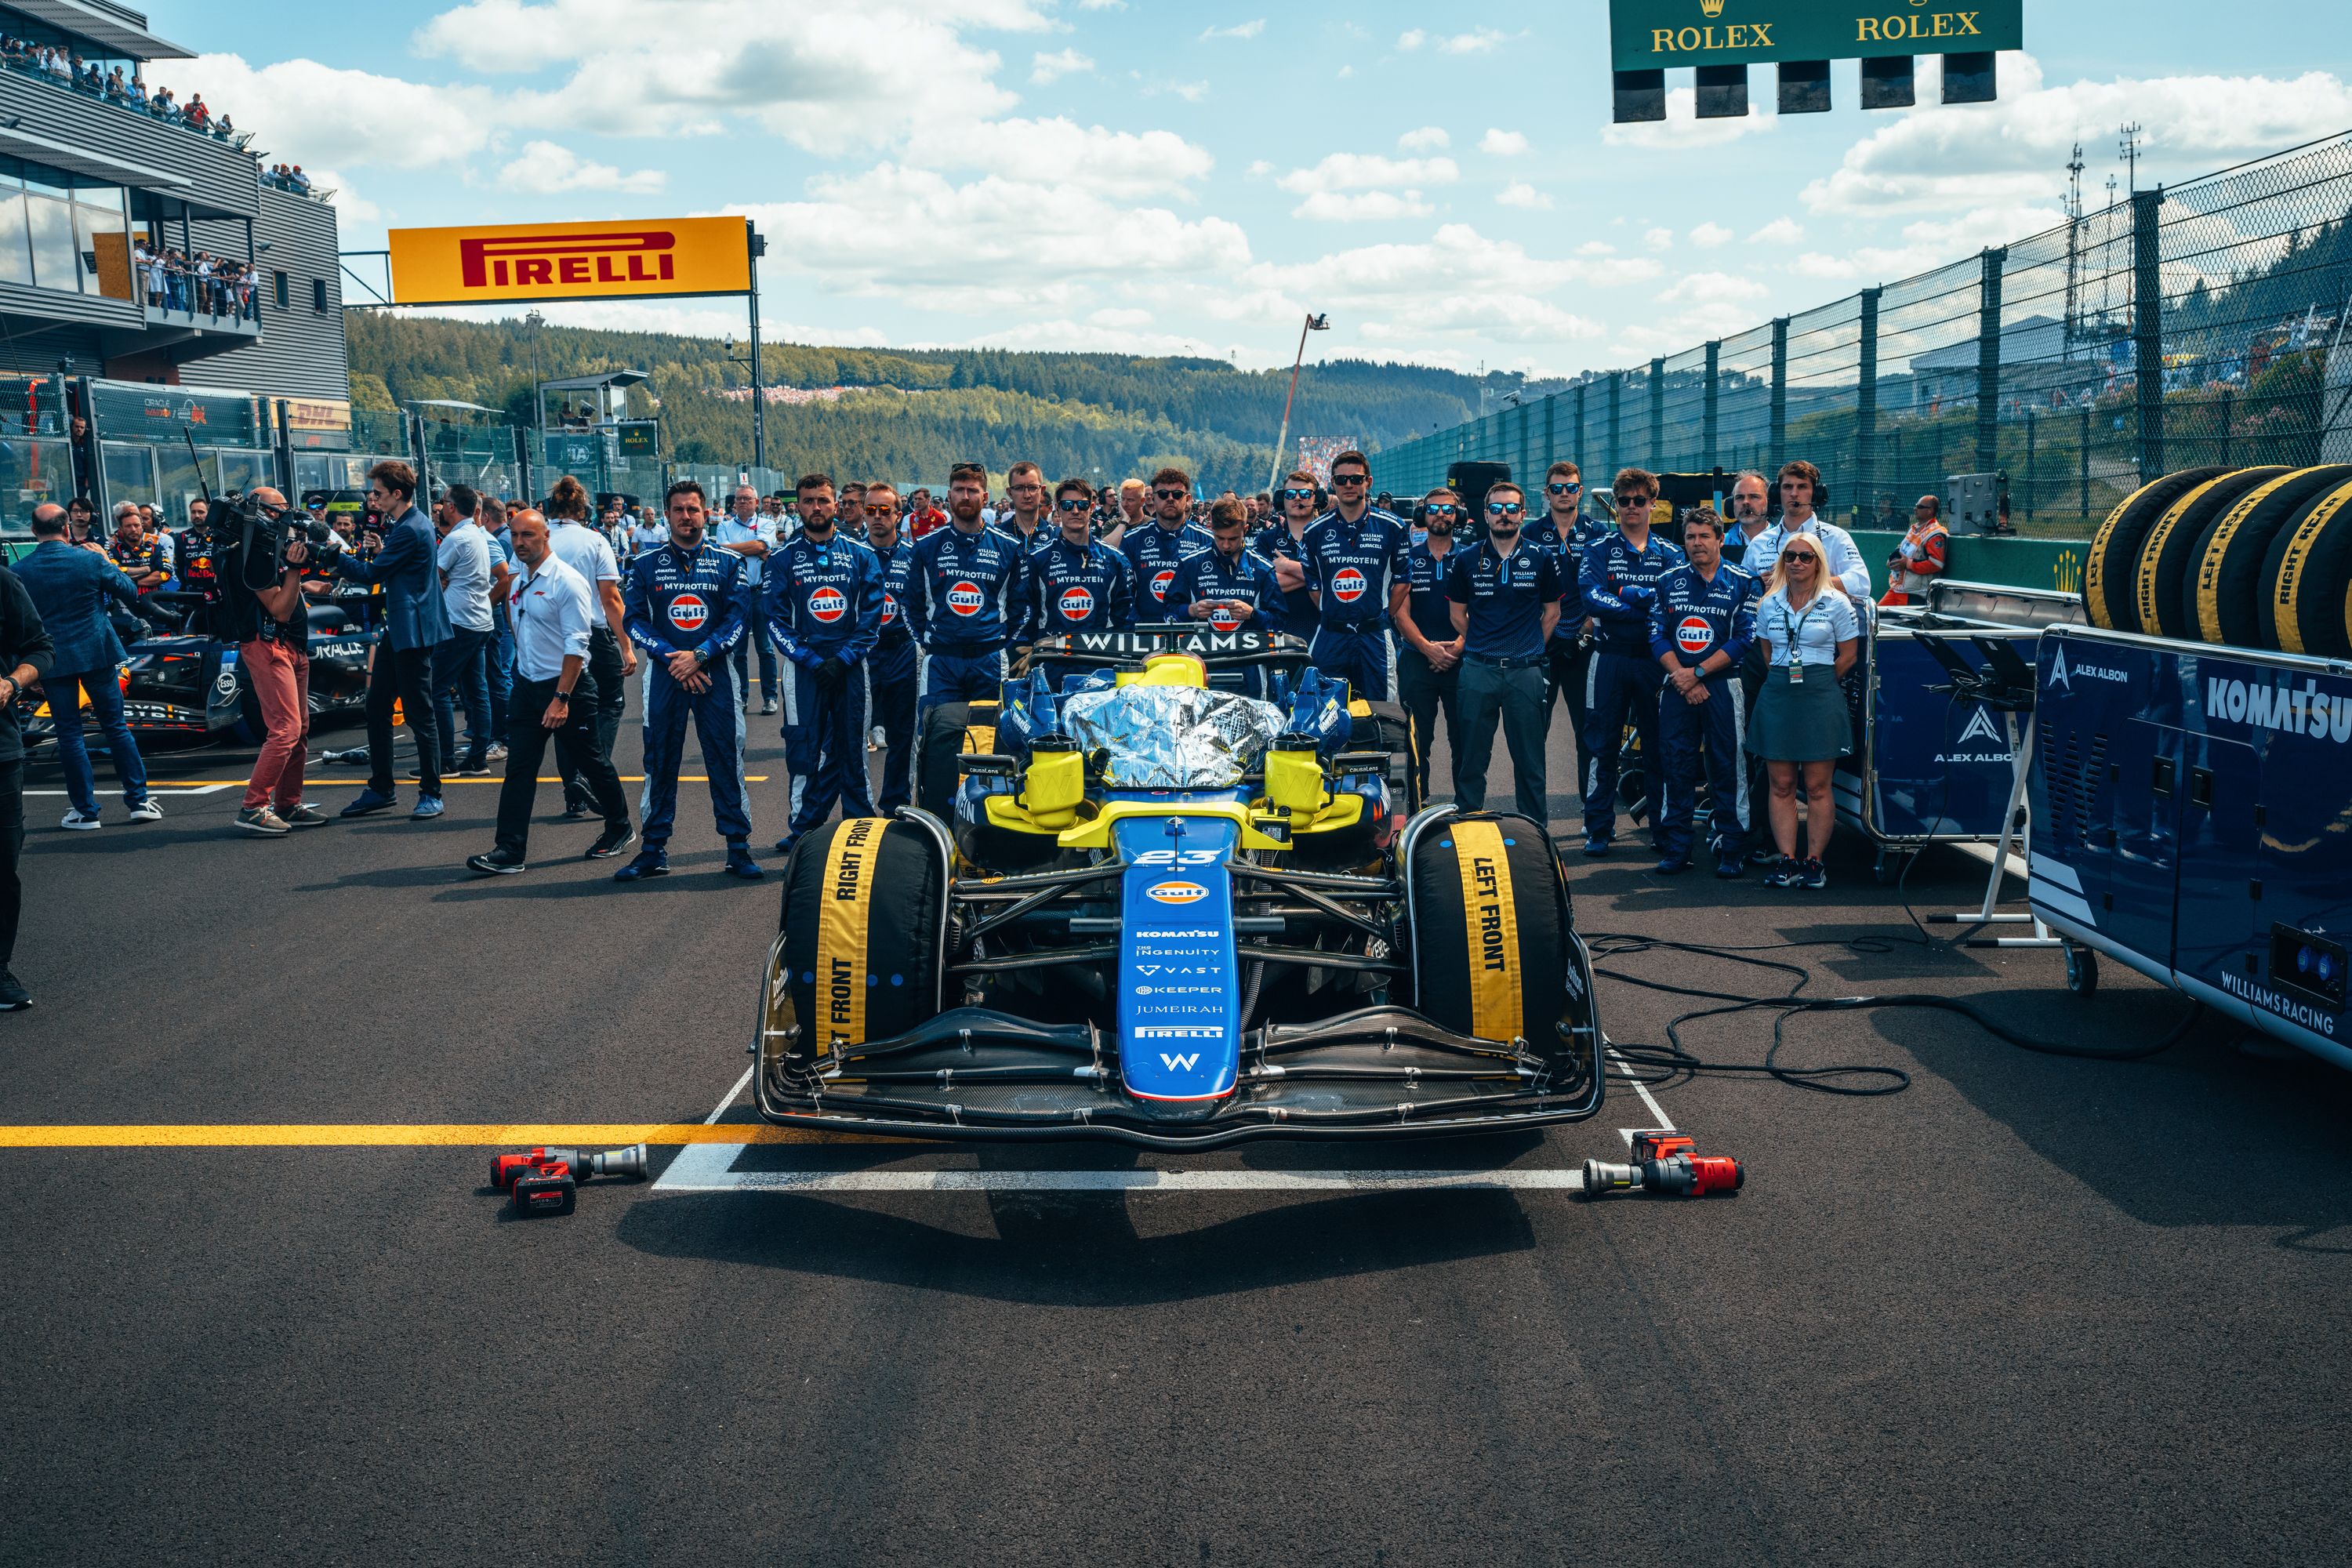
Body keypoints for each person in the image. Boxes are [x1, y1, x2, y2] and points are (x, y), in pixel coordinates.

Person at [466, 508, 633, 874]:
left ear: (546, 537)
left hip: (568, 691)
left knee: (590, 761)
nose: (520, 542)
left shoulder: (566, 581)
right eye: (515, 535)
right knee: (519, 769)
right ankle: (509, 850)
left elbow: (578, 645)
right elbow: (518, 624)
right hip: (527, 688)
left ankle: (620, 827)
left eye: (528, 535)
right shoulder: (521, 579)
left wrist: (561, 699)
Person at [616, 478, 760, 882]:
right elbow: (634, 621)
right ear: (667, 515)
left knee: (726, 761)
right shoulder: (644, 564)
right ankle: (652, 850)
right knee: (658, 761)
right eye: (678, 510)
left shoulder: (727, 562)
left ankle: (738, 848)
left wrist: (699, 656)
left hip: (715, 675)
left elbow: (737, 620)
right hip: (665, 677)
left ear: (706, 513)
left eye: (693, 509)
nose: (685, 516)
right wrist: (672, 658)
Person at [12, 503, 159, 829]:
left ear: (34, 532)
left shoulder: (21, 571)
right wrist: (106, 561)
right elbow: (131, 592)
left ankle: (85, 811)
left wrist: (28, 669)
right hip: (97, 654)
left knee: (69, 735)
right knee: (116, 727)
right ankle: (138, 802)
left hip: (52, 660)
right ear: (67, 529)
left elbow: (18, 625)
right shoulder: (91, 560)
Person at [768, 472, 884, 856]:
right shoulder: (783, 560)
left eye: (823, 500)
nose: (816, 507)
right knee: (804, 750)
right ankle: (804, 828)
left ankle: (861, 825)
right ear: (797, 506)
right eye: (808, 501)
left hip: (850, 668)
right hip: (804, 670)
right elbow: (776, 620)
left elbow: (872, 619)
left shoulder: (861, 555)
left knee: (853, 748)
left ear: (836, 505)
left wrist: (844, 659)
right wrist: (810, 659)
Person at [330, 461, 452, 819]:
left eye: (379, 493)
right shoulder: (409, 524)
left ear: (397, 494)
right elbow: (392, 567)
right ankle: (382, 788)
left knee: (420, 714)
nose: (374, 498)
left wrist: (332, 554)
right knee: (378, 707)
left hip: (411, 632)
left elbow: (372, 573)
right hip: (401, 629)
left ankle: (431, 792)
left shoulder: (411, 528)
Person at [1577, 468, 1686, 857]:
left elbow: (1673, 607)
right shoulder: (1599, 549)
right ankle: (1598, 829)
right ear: (1616, 505)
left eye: (1640, 501)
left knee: (1659, 749)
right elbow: (1591, 597)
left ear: (1653, 505)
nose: (1632, 508)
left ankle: (1663, 829)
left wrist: (1623, 594)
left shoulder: (1673, 553)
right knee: (1601, 746)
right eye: (1624, 501)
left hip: (1657, 663)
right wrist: (1640, 603)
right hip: (1609, 658)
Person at [1649, 506, 1759, 878]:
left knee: (1729, 766)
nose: (1697, 544)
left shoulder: (1744, 580)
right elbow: (1656, 635)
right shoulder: (1668, 580)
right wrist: (1682, 676)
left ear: (1720, 538)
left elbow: (1746, 638)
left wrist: (1696, 673)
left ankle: (1733, 848)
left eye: (1704, 537)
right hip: (1676, 684)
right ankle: (1676, 847)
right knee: (1675, 765)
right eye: (1691, 537)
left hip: (1724, 685)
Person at [1747, 532, 1860, 891]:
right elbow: (1766, 654)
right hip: (1779, 694)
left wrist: (1820, 683)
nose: (1797, 562)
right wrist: (1788, 680)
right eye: (1790, 556)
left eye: (1805, 557)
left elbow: (1849, 656)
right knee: (1781, 784)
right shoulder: (1769, 603)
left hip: (1821, 695)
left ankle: (1814, 862)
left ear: (1818, 562)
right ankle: (1787, 860)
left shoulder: (1837, 603)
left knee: (1817, 785)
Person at [1444, 482, 1563, 820]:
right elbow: (1457, 615)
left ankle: (1536, 831)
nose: (1504, 515)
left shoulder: (1542, 557)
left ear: (1523, 514)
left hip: (1525, 672)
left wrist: (1527, 645)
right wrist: (1485, 640)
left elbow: (1552, 612)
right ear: (1486, 515)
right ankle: (1467, 825)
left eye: (1512, 509)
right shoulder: (1466, 559)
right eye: (1496, 509)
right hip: (1478, 670)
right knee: (1472, 759)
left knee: (1530, 761)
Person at [219, 488, 332, 834]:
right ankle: (253, 807)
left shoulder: (268, 550)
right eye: (280, 509)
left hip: (291, 647)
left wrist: (299, 572)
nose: (289, 516)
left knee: (299, 731)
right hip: (269, 646)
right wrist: (295, 571)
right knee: (285, 729)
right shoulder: (249, 554)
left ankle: (288, 803)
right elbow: (279, 611)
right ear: (261, 512)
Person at [542, 475, 635, 821]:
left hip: (550, 636)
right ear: (583, 510)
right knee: (611, 702)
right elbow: (610, 599)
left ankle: (574, 794)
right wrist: (626, 644)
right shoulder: (593, 541)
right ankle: (590, 775)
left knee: (564, 711)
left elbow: (513, 590)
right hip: (592, 633)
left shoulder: (536, 538)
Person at [902, 463, 1025, 713]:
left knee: (985, 744)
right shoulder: (926, 547)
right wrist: (929, 643)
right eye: (959, 490)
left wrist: (1000, 642)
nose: (966, 496)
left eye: (972, 490)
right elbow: (910, 604)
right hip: (941, 661)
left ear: (985, 497)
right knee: (936, 740)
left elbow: (1021, 606)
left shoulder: (1008, 547)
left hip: (989, 660)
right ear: (949, 496)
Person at [1303, 450, 1410, 702]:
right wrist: (1336, 613)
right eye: (1341, 480)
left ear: (1368, 482)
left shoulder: (1392, 527)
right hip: (1331, 633)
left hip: (1374, 634)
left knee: (1382, 711)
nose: (1348, 485)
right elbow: (1313, 585)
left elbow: (1403, 581)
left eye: (1356, 479)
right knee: (1322, 709)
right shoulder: (1315, 531)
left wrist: (1383, 615)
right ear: (1332, 483)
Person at [1530, 459, 1606, 793]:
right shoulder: (1529, 534)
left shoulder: (1599, 534)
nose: (1564, 493)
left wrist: (1586, 629)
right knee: (1532, 731)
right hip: (1541, 643)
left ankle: (1592, 813)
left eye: (1571, 487)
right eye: (1557, 488)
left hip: (1584, 644)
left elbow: (1608, 588)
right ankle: (1533, 812)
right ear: (1547, 494)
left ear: (1580, 491)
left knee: (1588, 731)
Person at [0, 547, 53, 1008]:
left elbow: (41, 648)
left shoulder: (3, 582)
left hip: (0, 753)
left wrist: (13, 682)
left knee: (1, 867)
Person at [1024, 476, 1136, 693]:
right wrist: (1030, 650)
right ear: (1058, 509)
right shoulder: (1038, 559)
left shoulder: (1116, 560)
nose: (1075, 510)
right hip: (1053, 664)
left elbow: (1125, 620)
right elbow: (1026, 612)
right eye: (1067, 505)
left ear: (1092, 507)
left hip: (1100, 666)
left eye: (1082, 505)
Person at [1390, 487, 1463, 803]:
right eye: (1434, 509)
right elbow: (1399, 614)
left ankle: (1467, 806)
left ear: (1457, 515)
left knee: (1465, 739)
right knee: (1417, 742)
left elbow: (1481, 610)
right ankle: (1420, 805)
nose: (1441, 515)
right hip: (1416, 660)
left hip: (1462, 661)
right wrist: (1428, 648)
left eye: (1448, 510)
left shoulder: (1472, 557)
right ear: (1423, 515)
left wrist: (1459, 645)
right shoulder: (1407, 558)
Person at [1168, 499, 1282, 695]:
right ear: (1211, 528)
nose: (1226, 546)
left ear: (1245, 529)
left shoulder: (1263, 568)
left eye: (1233, 538)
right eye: (1220, 538)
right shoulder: (1191, 564)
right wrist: (1191, 610)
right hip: (1202, 666)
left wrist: (1253, 614)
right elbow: (1168, 613)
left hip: (1250, 667)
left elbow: (1279, 622)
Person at [858, 482, 920, 812]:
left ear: (899, 515)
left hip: (902, 653)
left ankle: (896, 805)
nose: (878, 517)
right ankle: (860, 807)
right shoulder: (851, 554)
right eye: (871, 510)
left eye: (885, 510)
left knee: (902, 736)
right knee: (854, 735)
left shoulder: (915, 556)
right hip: (862, 654)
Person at [429, 485, 496, 779]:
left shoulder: (456, 538)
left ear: (452, 507)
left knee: (438, 689)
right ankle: (477, 758)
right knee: (477, 691)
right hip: (479, 620)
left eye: (443, 503)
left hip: (459, 621)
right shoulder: (478, 535)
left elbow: (433, 577)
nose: (441, 508)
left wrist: (441, 581)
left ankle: (445, 760)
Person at [1744, 459, 1872, 600]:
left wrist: (1804, 582)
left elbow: (1861, 582)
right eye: (1787, 487)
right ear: (1776, 493)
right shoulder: (1759, 543)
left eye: (1802, 487)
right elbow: (1740, 589)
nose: (1794, 493)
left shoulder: (1836, 537)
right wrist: (1757, 586)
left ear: (1816, 494)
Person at [713, 482, 779, 715]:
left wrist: (738, 548)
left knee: (765, 648)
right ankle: (741, 697)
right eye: (739, 499)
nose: (742, 502)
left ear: (756, 502)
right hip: (736, 595)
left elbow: (762, 545)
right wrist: (755, 549)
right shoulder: (724, 526)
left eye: (747, 499)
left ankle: (770, 697)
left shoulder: (768, 523)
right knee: (738, 650)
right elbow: (723, 554)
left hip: (760, 593)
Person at [1122, 466, 1214, 625]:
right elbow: (1123, 595)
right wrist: (1138, 630)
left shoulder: (1207, 539)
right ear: (1153, 498)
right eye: (1163, 494)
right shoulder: (1132, 540)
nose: (1170, 499)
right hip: (1144, 633)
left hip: (1194, 634)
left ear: (1188, 499)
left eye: (1177, 494)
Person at [1251, 472, 1322, 646]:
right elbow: (1262, 588)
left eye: (1305, 494)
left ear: (1317, 498)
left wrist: (1288, 566)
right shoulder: (1265, 540)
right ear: (1282, 499)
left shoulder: (1328, 537)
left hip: (1323, 631)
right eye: (1291, 494)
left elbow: (1335, 581)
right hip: (1279, 632)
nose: (1298, 498)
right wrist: (1318, 575)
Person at [1881, 493, 1949, 607]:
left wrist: (1907, 564)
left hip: (1914, 593)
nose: (1915, 509)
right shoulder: (1914, 529)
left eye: (1920, 507)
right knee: (1875, 618)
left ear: (1930, 511)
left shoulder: (1936, 533)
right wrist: (1893, 560)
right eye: (1916, 506)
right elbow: (1901, 548)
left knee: (1902, 623)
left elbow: (1936, 564)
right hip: (1897, 588)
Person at [106, 503, 167, 592]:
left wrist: (133, 582)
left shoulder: (157, 549)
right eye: (128, 526)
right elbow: (116, 576)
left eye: (136, 525)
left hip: (154, 602)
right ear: (121, 529)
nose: (133, 529)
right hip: (126, 603)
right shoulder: (113, 552)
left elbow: (165, 574)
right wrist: (149, 569)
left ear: (142, 527)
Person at [994, 462, 1049, 552]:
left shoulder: (1056, 537)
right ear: (1010, 493)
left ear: (1042, 490)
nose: (1027, 495)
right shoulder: (996, 537)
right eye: (1019, 488)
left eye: (1032, 488)